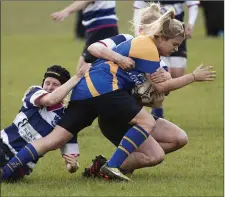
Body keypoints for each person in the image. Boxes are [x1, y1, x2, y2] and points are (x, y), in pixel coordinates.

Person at [1, 5, 216, 182]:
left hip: (101, 98)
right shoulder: (131, 41)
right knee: (147, 123)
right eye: (175, 44)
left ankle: (9, 171)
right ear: (152, 32)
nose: (176, 49)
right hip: (105, 92)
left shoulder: (158, 61)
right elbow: (94, 49)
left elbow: (159, 96)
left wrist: (147, 95)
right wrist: (121, 59)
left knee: (169, 144)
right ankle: (111, 166)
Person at [0, 65, 82, 181]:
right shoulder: (35, 92)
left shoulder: (66, 119)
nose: (49, 87)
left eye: (55, 85)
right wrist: (78, 76)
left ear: (64, 89)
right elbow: (50, 100)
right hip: (3, 146)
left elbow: (70, 164)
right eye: (47, 83)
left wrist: (73, 166)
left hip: (21, 166)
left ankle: (5, 173)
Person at [133, 0, 200, 118]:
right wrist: (139, 37)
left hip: (176, 32)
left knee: (175, 74)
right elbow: (138, 8)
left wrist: (191, 23)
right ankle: (151, 110)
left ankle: (151, 103)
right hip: (156, 35)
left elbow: (193, 4)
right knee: (158, 76)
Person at [51, 0, 119, 73]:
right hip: (99, 28)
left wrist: (66, 11)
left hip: (101, 28)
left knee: (82, 71)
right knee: (88, 70)